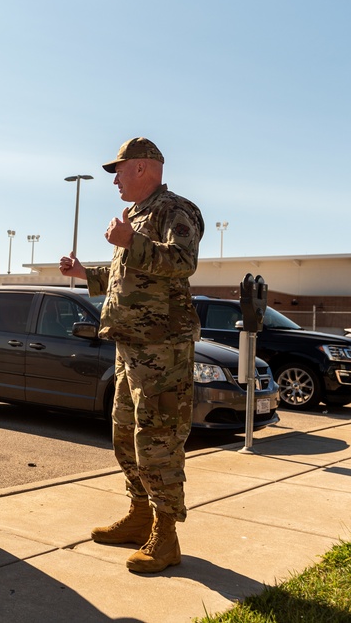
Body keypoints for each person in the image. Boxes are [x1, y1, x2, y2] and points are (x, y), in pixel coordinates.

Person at [60, 137, 204, 574]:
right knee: (126, 434)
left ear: (143, 168)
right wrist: (87, 273)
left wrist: (128, 240)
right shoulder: (137, 215)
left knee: (159, 438)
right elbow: (133, 276)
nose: (116, 179)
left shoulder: (174, 210)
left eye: (119, 170)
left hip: (163, 349)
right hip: (131, 346)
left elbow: (182, 261)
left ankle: (166, 536)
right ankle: (139, 516)